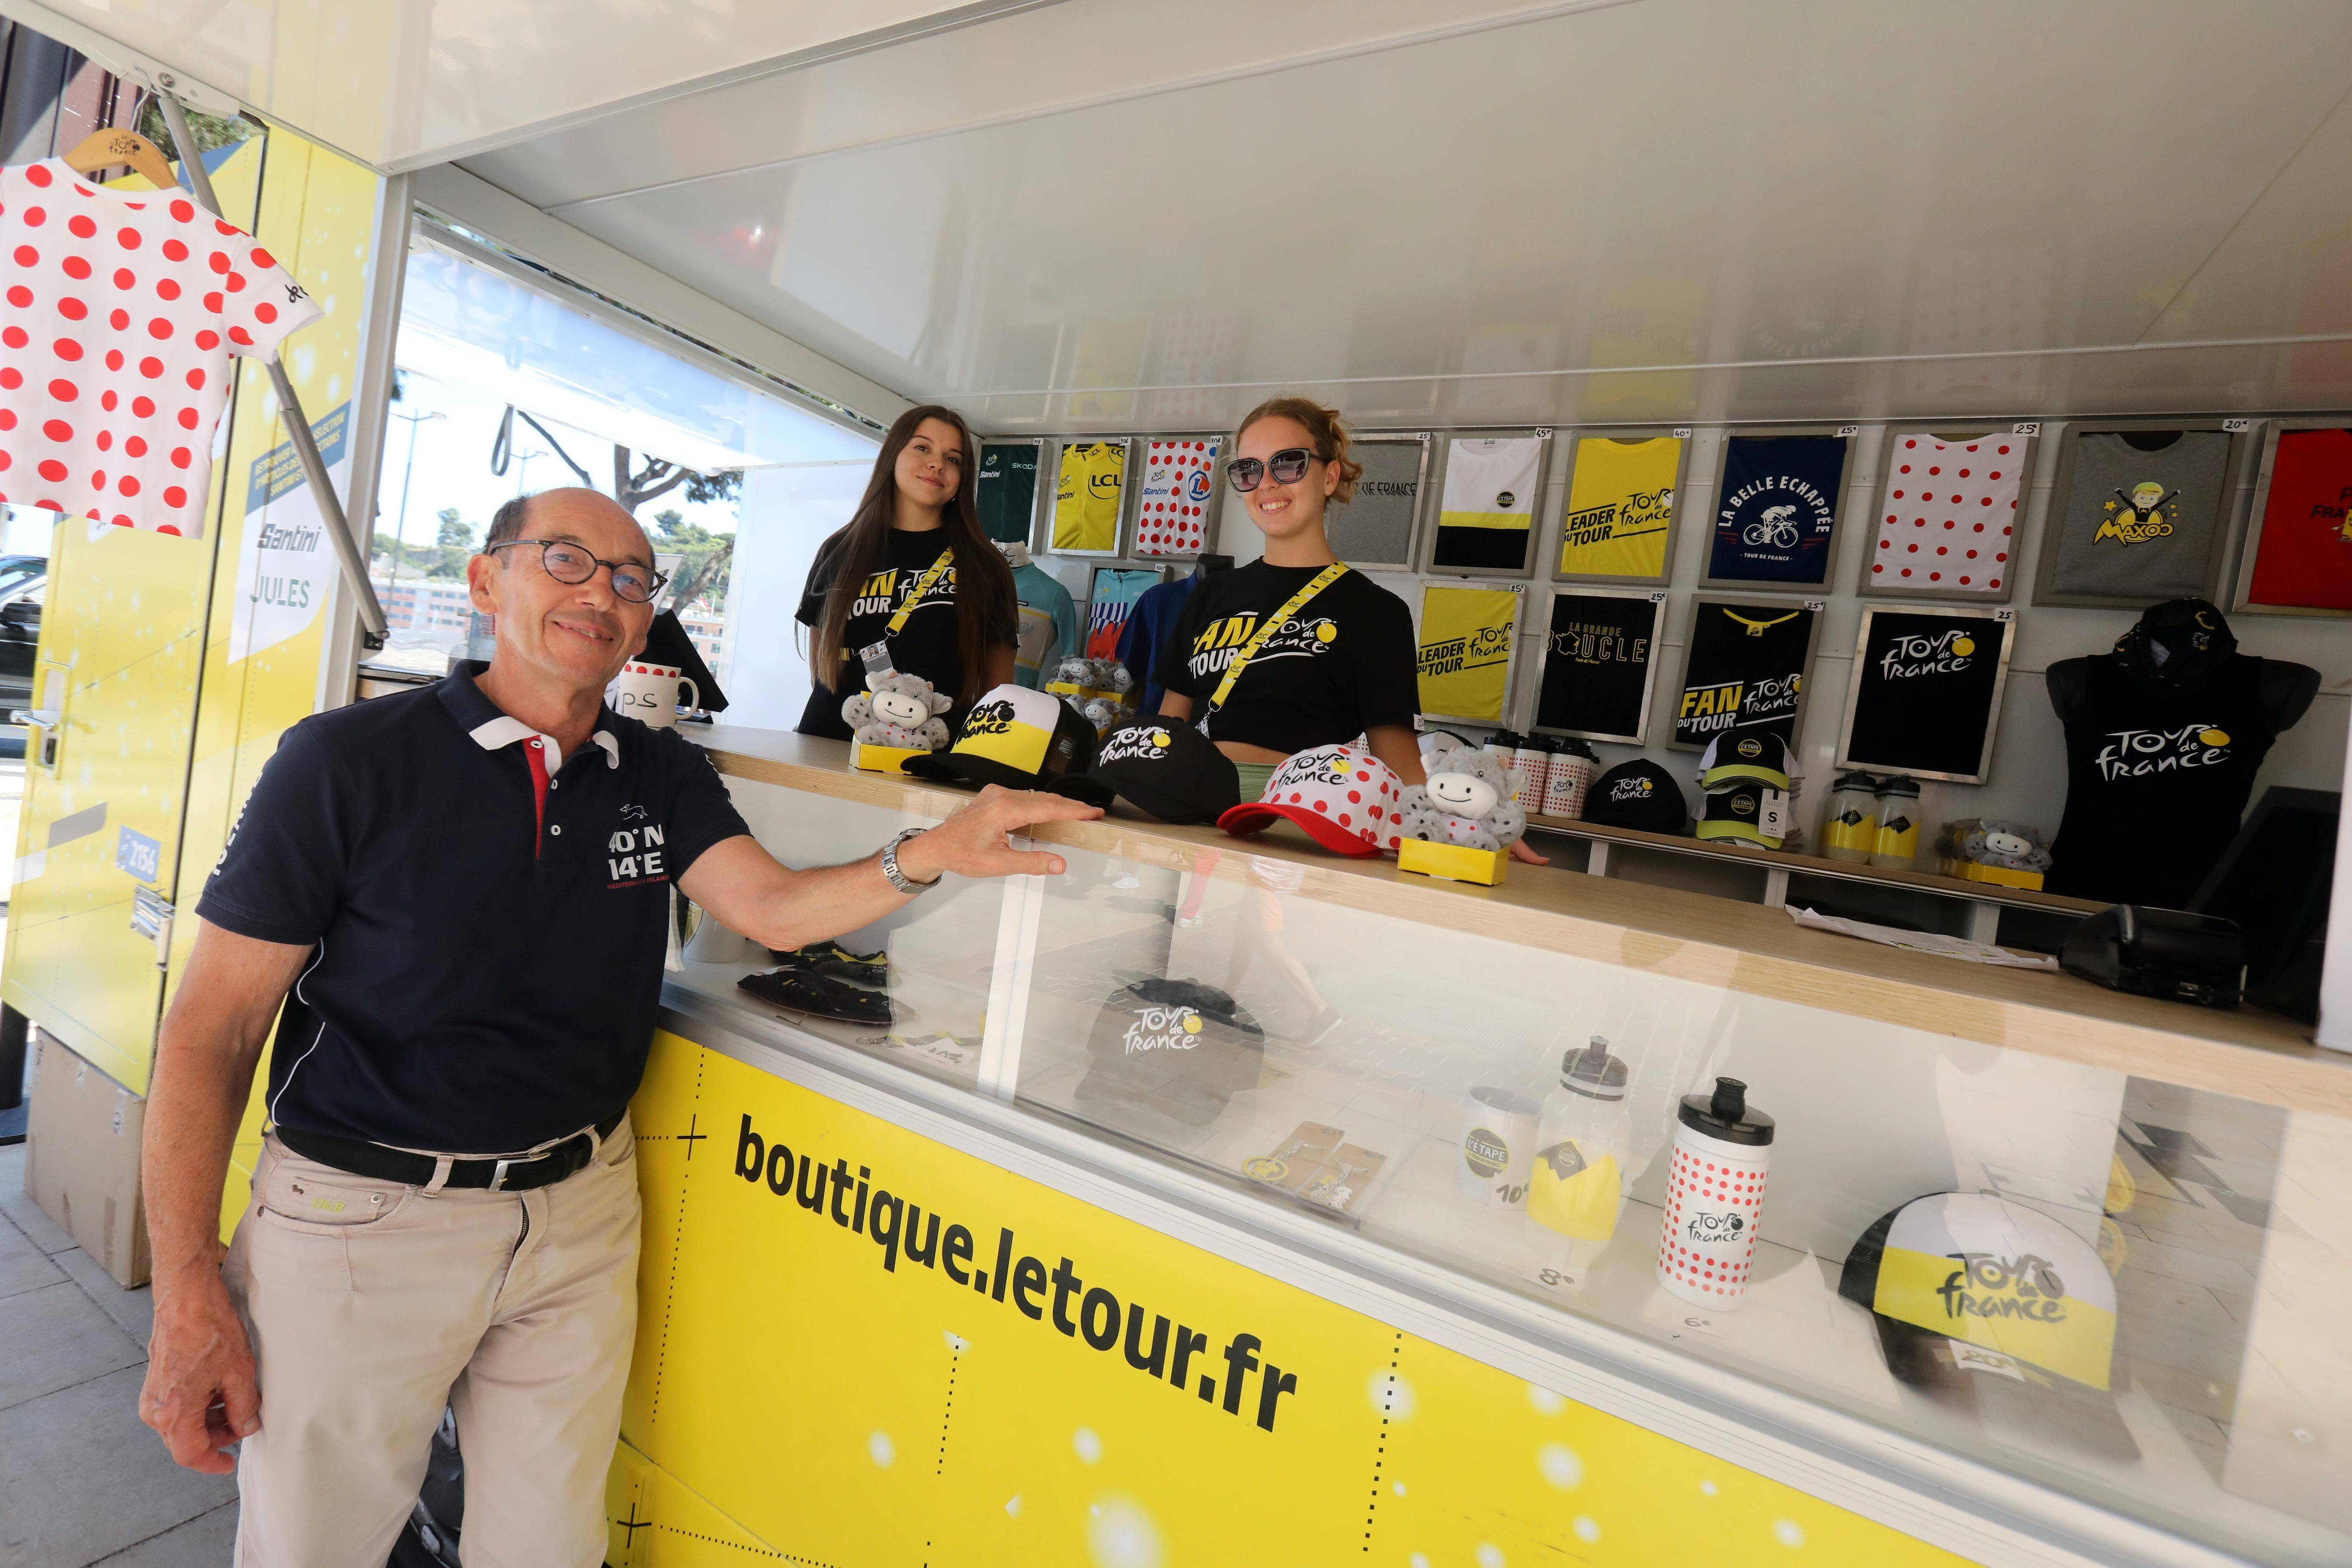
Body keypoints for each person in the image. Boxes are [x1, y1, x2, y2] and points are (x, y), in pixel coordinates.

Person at [137, 486, 1098, 1567]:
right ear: (487, 578)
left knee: (547, 1549)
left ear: (647, 625)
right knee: (313, 1550)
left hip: (579, 1221)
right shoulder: (344, 761)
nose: (602, 592)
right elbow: (212, 1031)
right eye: (566, 560)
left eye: (632, 579)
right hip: (365, 1218)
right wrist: (185, 1291)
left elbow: (774, 908)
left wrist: (927, 849)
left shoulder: (659, 771)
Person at [797, 405, 1018, 736]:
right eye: (922, 447)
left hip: (931, 760)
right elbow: (822, 665)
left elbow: (997, 694)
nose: (937, 463)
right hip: (829, 745)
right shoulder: (839, 550)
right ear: (893, 456)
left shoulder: (985, 565)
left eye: (953, 458)